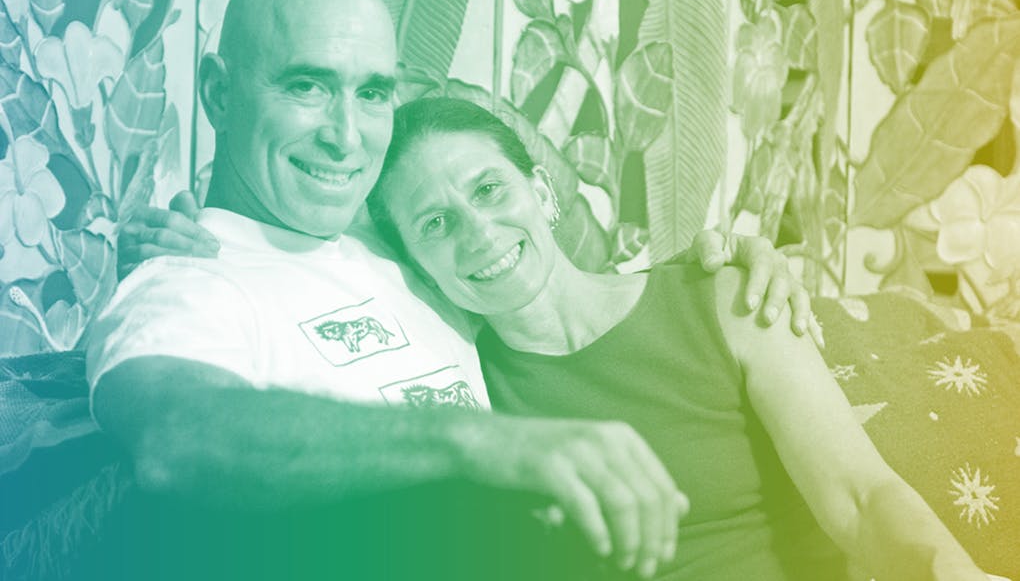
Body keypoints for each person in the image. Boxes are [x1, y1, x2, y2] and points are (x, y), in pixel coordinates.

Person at [93, 0, 816, 581]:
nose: (347, 135)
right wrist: (473, 441)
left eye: (372, 93)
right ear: (220, 94)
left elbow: (542, 277)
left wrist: (718, 265)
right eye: (307, 86)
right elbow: (175, 434)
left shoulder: (403, 255)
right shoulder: (185, 278)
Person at [362, 96, 989, 581]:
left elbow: (861, 498)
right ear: (419, 267)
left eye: (488, 189)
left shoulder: (724, 297)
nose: (478, 232)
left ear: (542, 192)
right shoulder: (467, 398)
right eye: (435, 223)